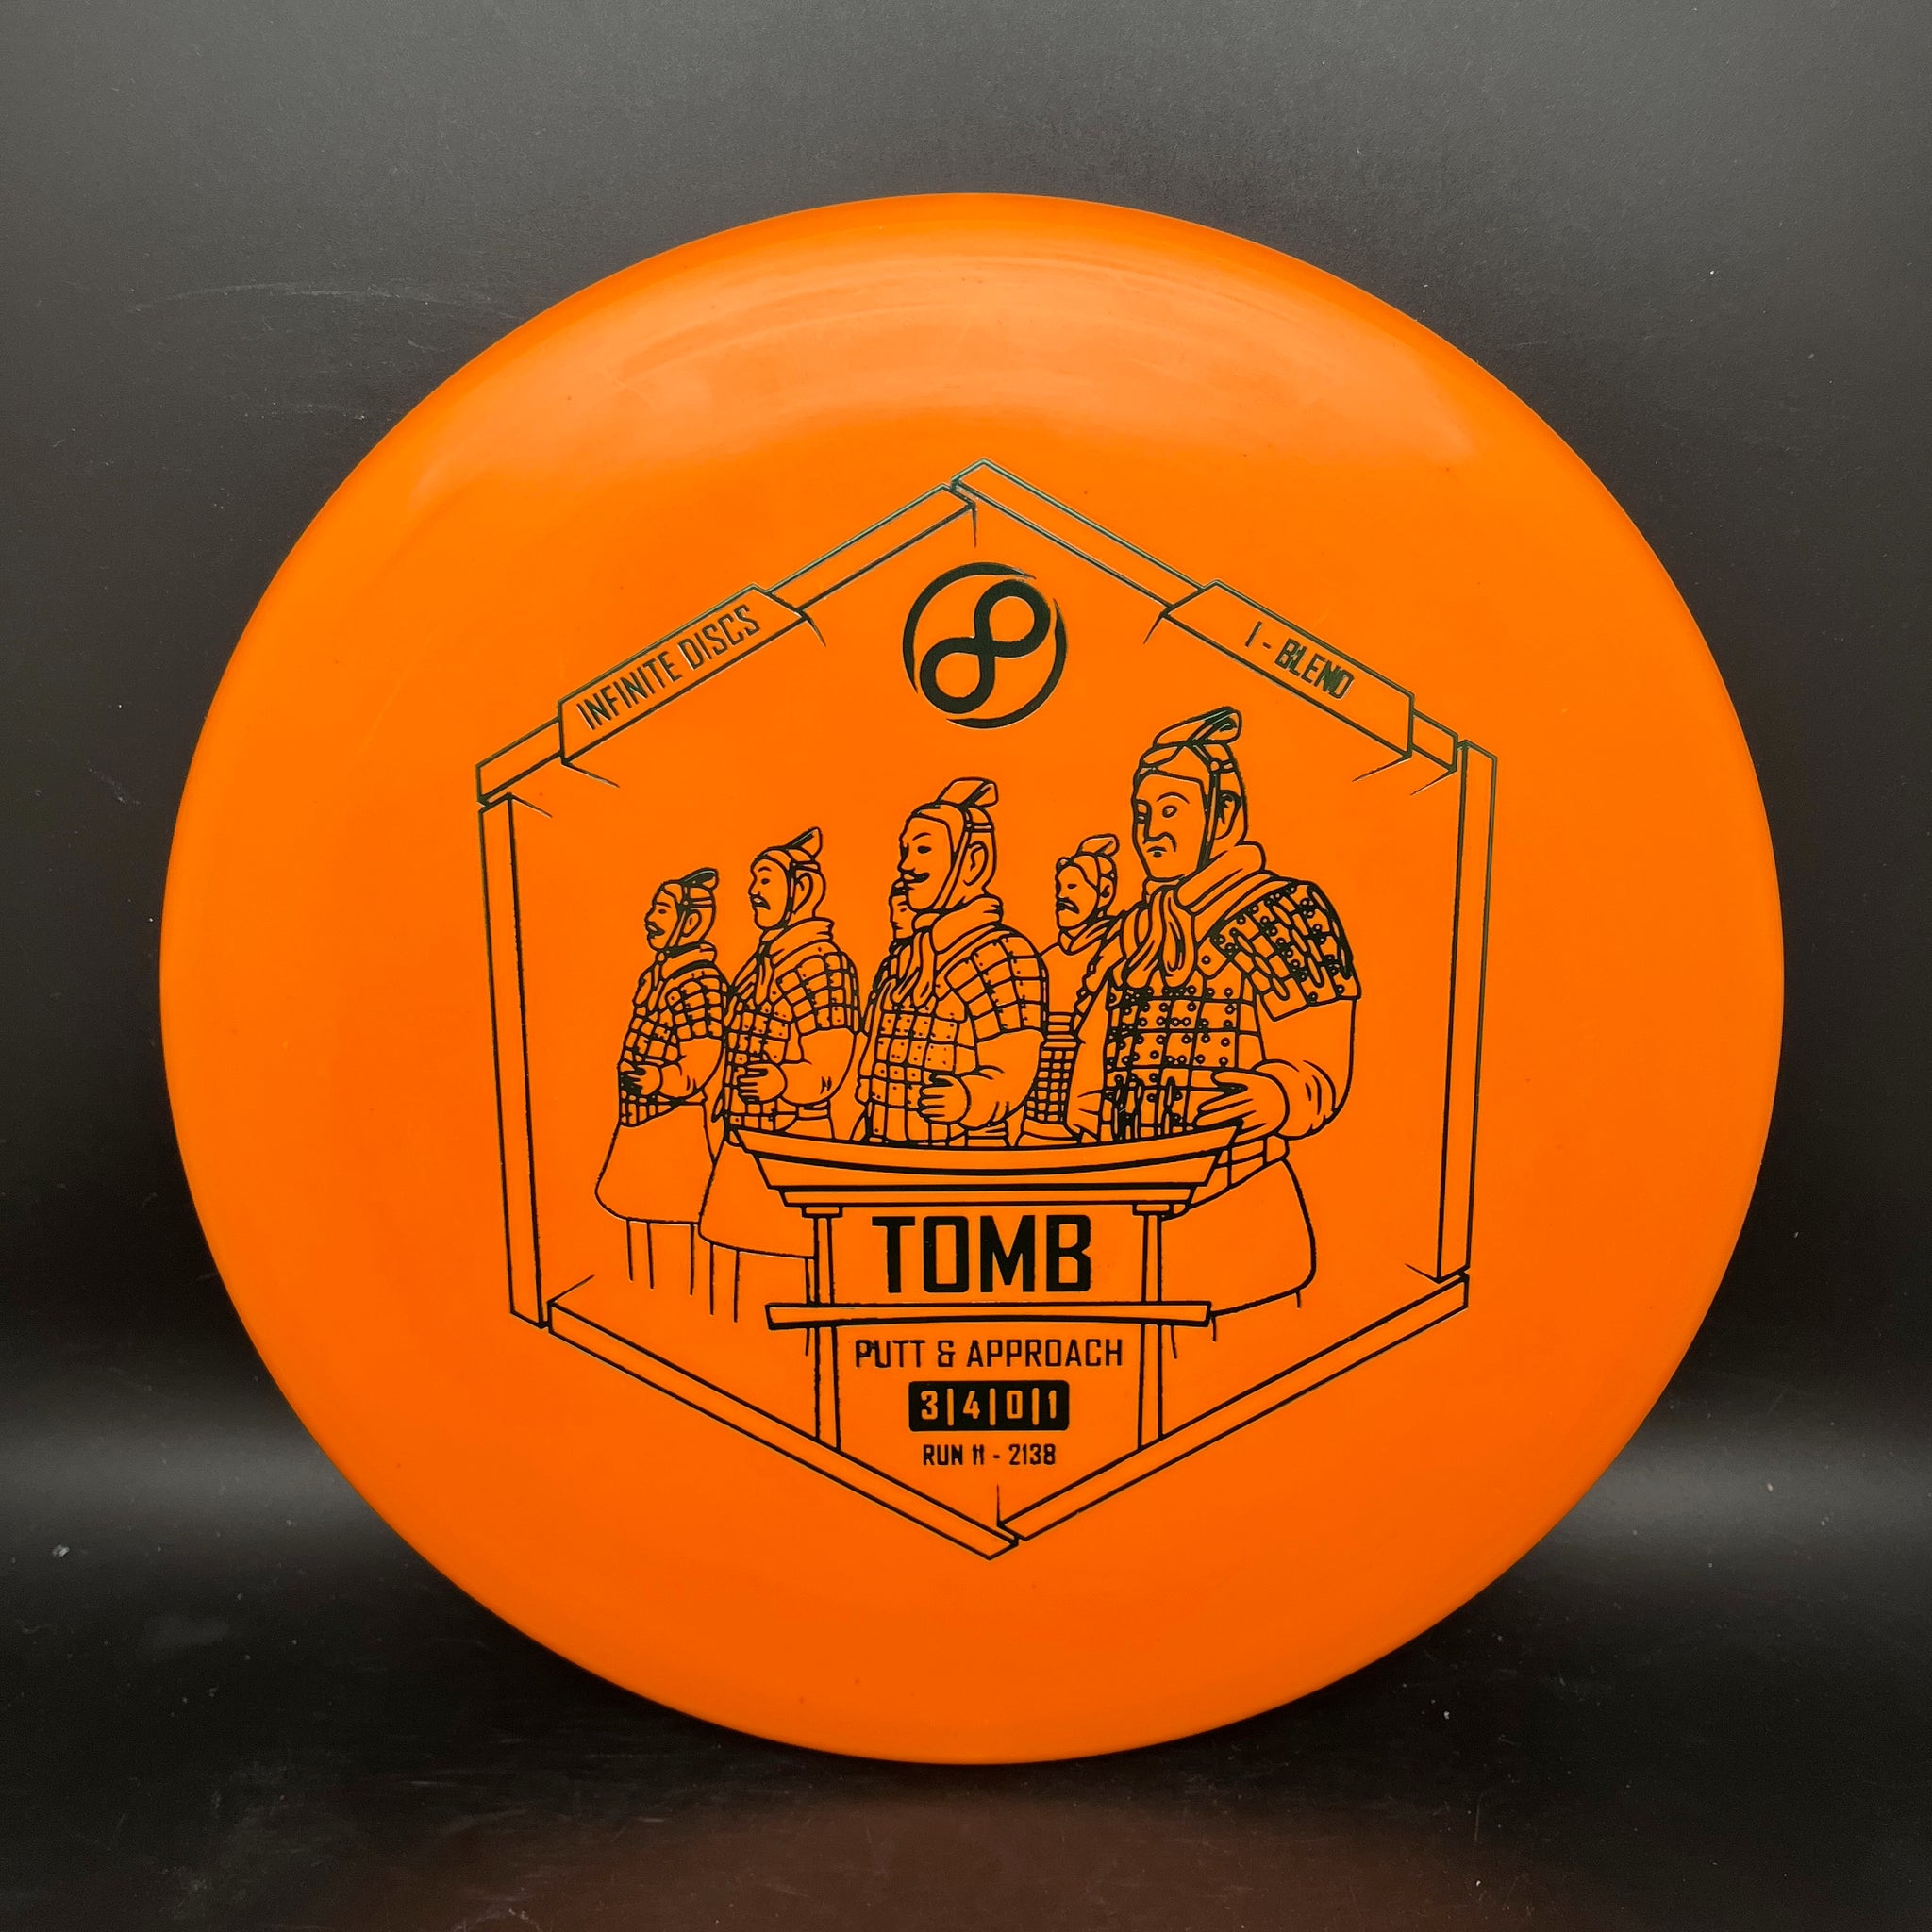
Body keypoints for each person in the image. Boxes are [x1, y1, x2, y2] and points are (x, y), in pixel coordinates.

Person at [1069, 708, 1358, 1304]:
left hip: (1240, 1208)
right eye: (1142, 813)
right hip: (1130, 1211)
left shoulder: (1283, 911)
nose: (1151, 831)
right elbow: (1095, 1047)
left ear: (1222, 815)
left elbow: (1321, 1060)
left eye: (1171, 810)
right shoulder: (1135, 930)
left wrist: (1280, 1093)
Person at [700, 829, 861, 1314]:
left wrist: (785, 1081)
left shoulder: (823, 965)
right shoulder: (759, 964)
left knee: (792, 1270)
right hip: (740, 1142)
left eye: (766, 879)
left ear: (802, 889)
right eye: (754, 879)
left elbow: (831, 1062)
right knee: (732, 1270)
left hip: (792, 1147)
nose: (754, 890)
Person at [853, 778, 1045, 1148]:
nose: (906, 866)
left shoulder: (1004, 955)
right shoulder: (902, 960)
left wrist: (969, 1098)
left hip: (966, 1153)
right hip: (881, 1146)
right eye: (905, 850)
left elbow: (1014, 1067)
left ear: (973, 861)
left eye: (924, 850)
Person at [593, 867, 726, 1291]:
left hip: (674, 1121)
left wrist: (660, 1079)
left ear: (690, 921)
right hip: (640, 1119)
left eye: (663, 910)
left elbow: (703, 1055)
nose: (651, 918)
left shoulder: (700, 982)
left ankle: (679, 1302)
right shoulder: (657, 975)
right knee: (636, 1214)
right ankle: (641, 1295)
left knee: (677, 1221)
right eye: (654, 907)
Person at [1023, 832, 1125, 1141]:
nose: (1062, 896)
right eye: (1060, 887)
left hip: (1090, 1126)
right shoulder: (1042, 961)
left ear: (1104, 892)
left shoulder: (1118, 954)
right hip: (1033, 1121)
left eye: (1073, 887)